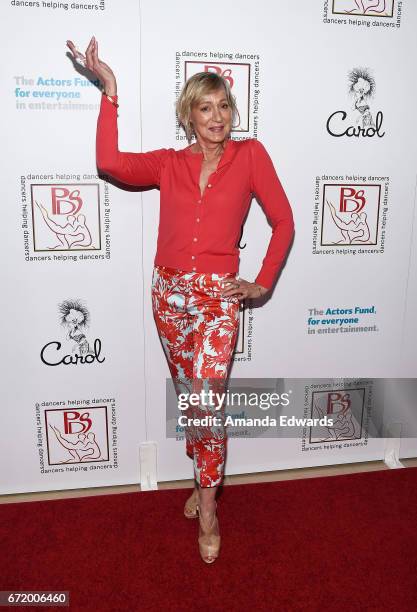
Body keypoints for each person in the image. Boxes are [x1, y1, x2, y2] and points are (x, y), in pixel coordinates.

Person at [66, 36, 295, 564]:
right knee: (191, 398)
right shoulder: (169, 163)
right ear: (188, 116)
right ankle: (204, 480)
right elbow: (110, 162)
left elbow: (283, 221)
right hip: (169, 294)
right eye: (204, 107)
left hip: (218, 298)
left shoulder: (251, 155)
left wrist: (261, 281)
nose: (217, 117)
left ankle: (210, 507)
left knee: (207, 401)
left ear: (233, 111)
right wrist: (110, 91)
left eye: (223, 106)